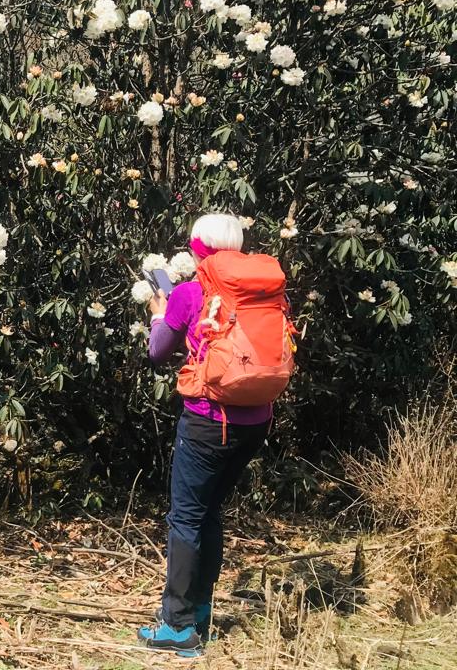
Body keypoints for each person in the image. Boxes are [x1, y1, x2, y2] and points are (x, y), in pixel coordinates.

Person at [138, 213, 274, 657]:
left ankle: (176, 627)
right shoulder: (263, 293)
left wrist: (160, 315)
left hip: (206, 421)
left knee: (186, 517)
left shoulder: (190, 293)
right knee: (210, 512)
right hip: (256, 421)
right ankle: (199, 614)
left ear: (198, 250)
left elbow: (159, 351)